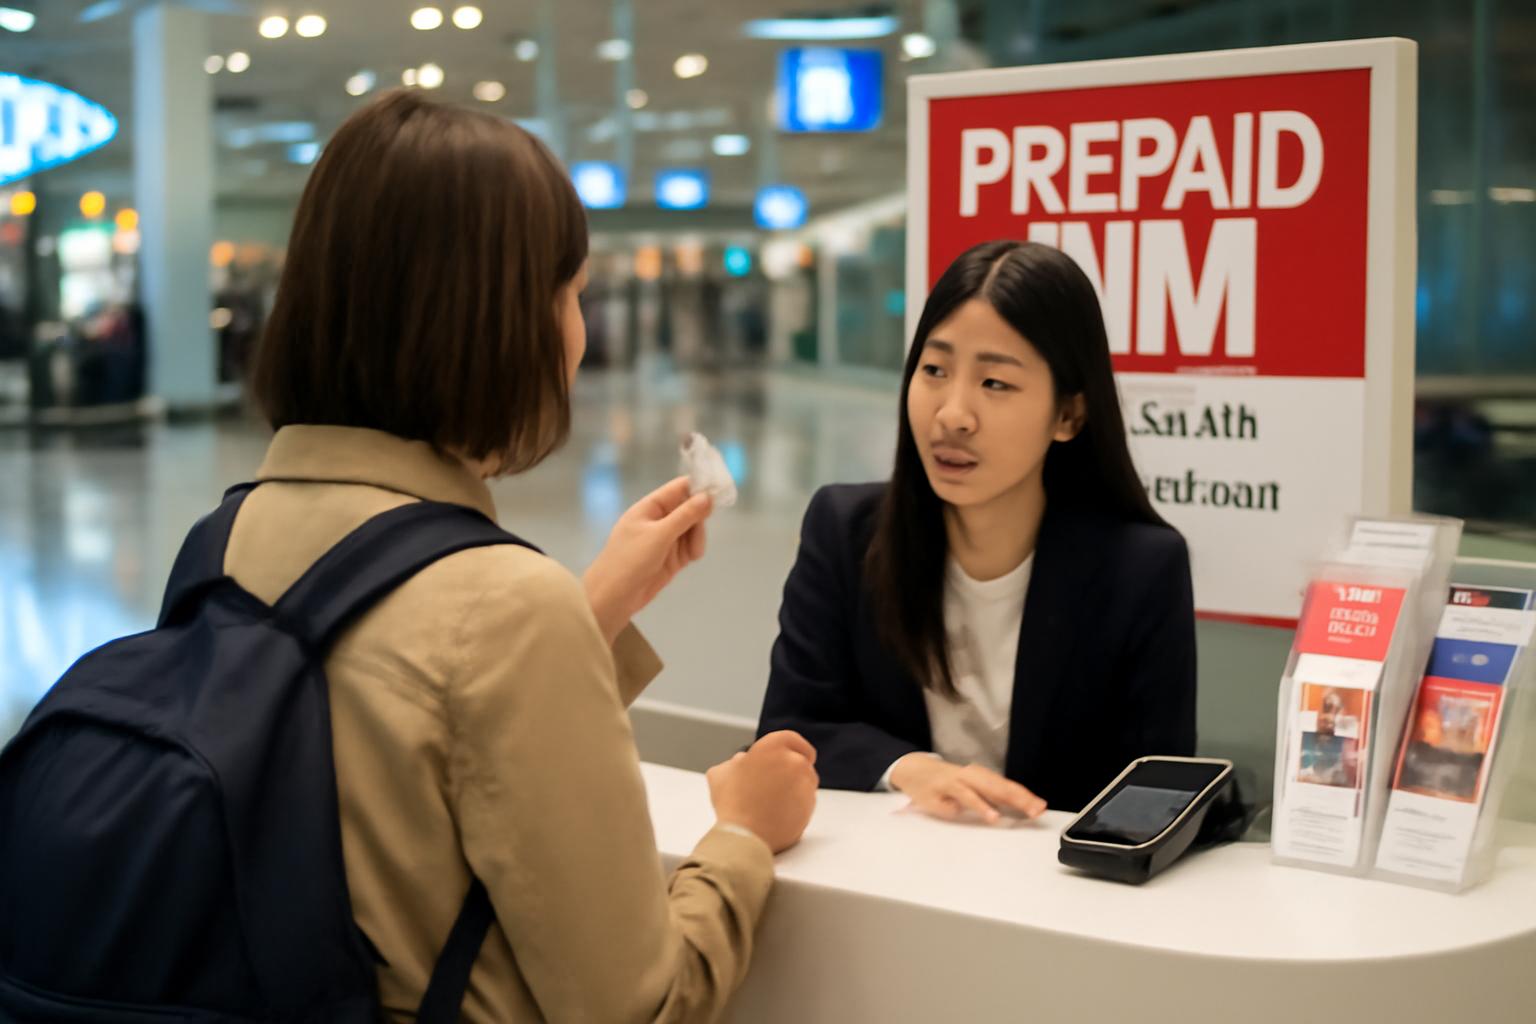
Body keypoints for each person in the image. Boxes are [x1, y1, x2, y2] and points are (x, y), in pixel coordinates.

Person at [240, 89, 817, 1021]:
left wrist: (586, 616)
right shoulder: (501, 605)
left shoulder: (229, 535)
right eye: (573, 294)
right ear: (499, 320)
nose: (579, 330)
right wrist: (747, 832)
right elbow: (641, 1004)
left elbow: (385, 743)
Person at [757, 239, 1196, 821]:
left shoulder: (1139, 569)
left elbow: (1150, 796)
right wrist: (909, 769)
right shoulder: (844, 533)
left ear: (1068, 415)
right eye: (934, 370)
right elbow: (788, 733)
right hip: (878, 883)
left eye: (995, 384)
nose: (952, 415)